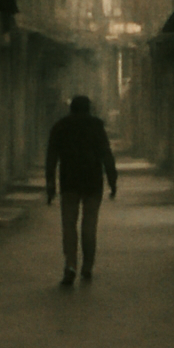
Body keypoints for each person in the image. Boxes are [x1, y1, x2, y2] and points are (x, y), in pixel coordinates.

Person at [45, 95, 117, 286]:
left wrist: (50, 183)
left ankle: (70, 265)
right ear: (88, 108)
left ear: (71, 108)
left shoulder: (60, 126)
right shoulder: (96, 126)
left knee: (69, 225)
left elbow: (51, 157)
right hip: (92, 183)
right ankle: (87, 265)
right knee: (89, 225)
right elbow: (106, 154)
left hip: (69, 183)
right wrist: (112, 181)